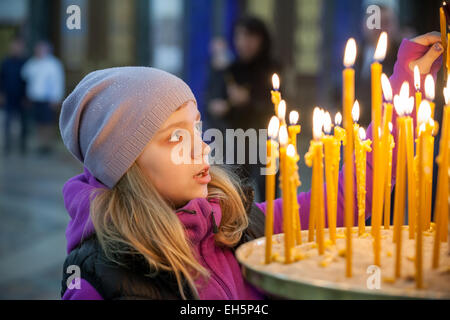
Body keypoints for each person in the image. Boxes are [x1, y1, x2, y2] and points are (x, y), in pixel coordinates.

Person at [59, 32, 441, 300]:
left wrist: (408, 83)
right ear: (124, 165)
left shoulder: (237, 224)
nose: (201, 147)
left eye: (197, 127)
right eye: (175, 137)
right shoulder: (100, 277)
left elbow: (346, 199)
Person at [205, 17, 281, 202]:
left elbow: (278, 106)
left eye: (249, 37)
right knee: (237, 192)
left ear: (261, 39)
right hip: (236, 138)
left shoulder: (272, 69)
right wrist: (221, 106)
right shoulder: (230, 68)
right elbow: (213, 100)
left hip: (265, 139)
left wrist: (249, 100)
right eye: (239, 37)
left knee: (267, 193)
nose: (243, 43)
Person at [21, 40, 65, 155]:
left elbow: (58, 82)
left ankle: (47, 145)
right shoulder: (32, 63)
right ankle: (40, 144)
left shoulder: (53, 64)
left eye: (41, 49)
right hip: (36, 99)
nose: (39, 51)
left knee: (48, 123)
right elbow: (25, 76)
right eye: (37, 49)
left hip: (48, 99)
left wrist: (56, 98)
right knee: (38, 123)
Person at [0, 37, 28, 155]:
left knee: (24, 123)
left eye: (18, 47)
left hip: (22, 97)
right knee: (7, 122)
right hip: (8, 97)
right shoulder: (5, 63)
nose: (16, 49)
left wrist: (26, 97)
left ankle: (22, 146)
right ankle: (7, 146)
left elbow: (28, 81)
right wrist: (1, 94)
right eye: (14, 47)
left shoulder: (26, 63)